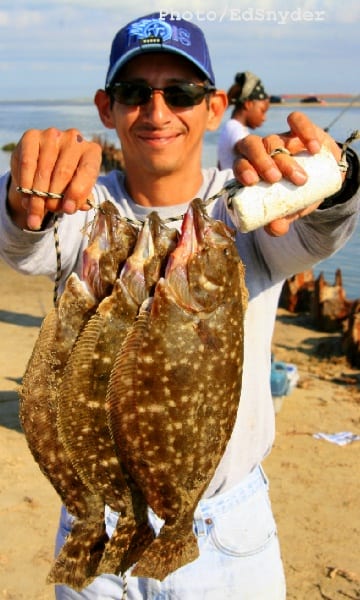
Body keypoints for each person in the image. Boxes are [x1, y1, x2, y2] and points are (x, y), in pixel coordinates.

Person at [0, 11, 359, 600]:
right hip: (99, 513)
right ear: (106, 107)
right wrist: (22, 193)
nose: (158, 110)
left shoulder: (250, 208)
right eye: (135, 92)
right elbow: (23, 239)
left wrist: (329, 176)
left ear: (215, 106)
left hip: (225, 526)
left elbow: (324, 227)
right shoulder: (83, 211)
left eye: (182, 92)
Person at [217, 71, 270, 170]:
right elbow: (244, 147)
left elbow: (220, 165)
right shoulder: (235, 128)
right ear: (248, 104)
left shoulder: (232, 126)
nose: (264, 118)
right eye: (262, 111)